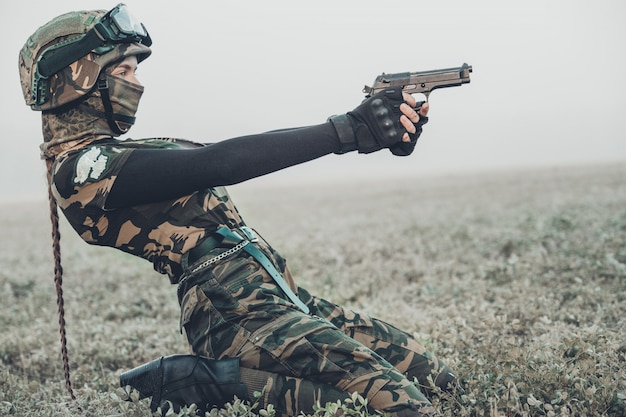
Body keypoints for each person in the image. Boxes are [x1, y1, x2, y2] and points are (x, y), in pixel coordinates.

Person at [19, 4, 457, 417]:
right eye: (123, 69)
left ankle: (227, 382)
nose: (138, 81)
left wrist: (368, 134)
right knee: (401, 406)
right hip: (232, 313)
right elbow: (220, 163)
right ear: (75, 78)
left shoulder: (123, 154)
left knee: (440, 383)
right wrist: (345, 130)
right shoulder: (78, 172)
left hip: (277, 296)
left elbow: (228, 153)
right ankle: (198, 384)